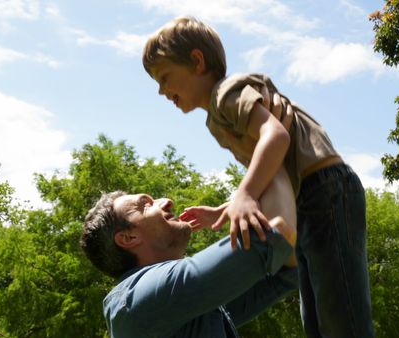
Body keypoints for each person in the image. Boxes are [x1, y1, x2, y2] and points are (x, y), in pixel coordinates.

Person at [142, 16, 373, 338]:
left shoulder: (227, 93)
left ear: (196, 61)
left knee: (341, 313)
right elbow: (266, 171)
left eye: (165, 77)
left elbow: (276, 137)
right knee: (318, 320)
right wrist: (229, 207)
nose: (161, 91)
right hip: (304, 199)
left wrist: (245, 194)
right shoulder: (215, 121)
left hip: (326, 189)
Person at [81, 191, 298, 337]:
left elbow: (286, 268)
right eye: (145, 205)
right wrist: (274, 142)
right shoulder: (140, 301)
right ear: (128, 238)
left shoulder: (180, 306)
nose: (166, 201)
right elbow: (279, 234)